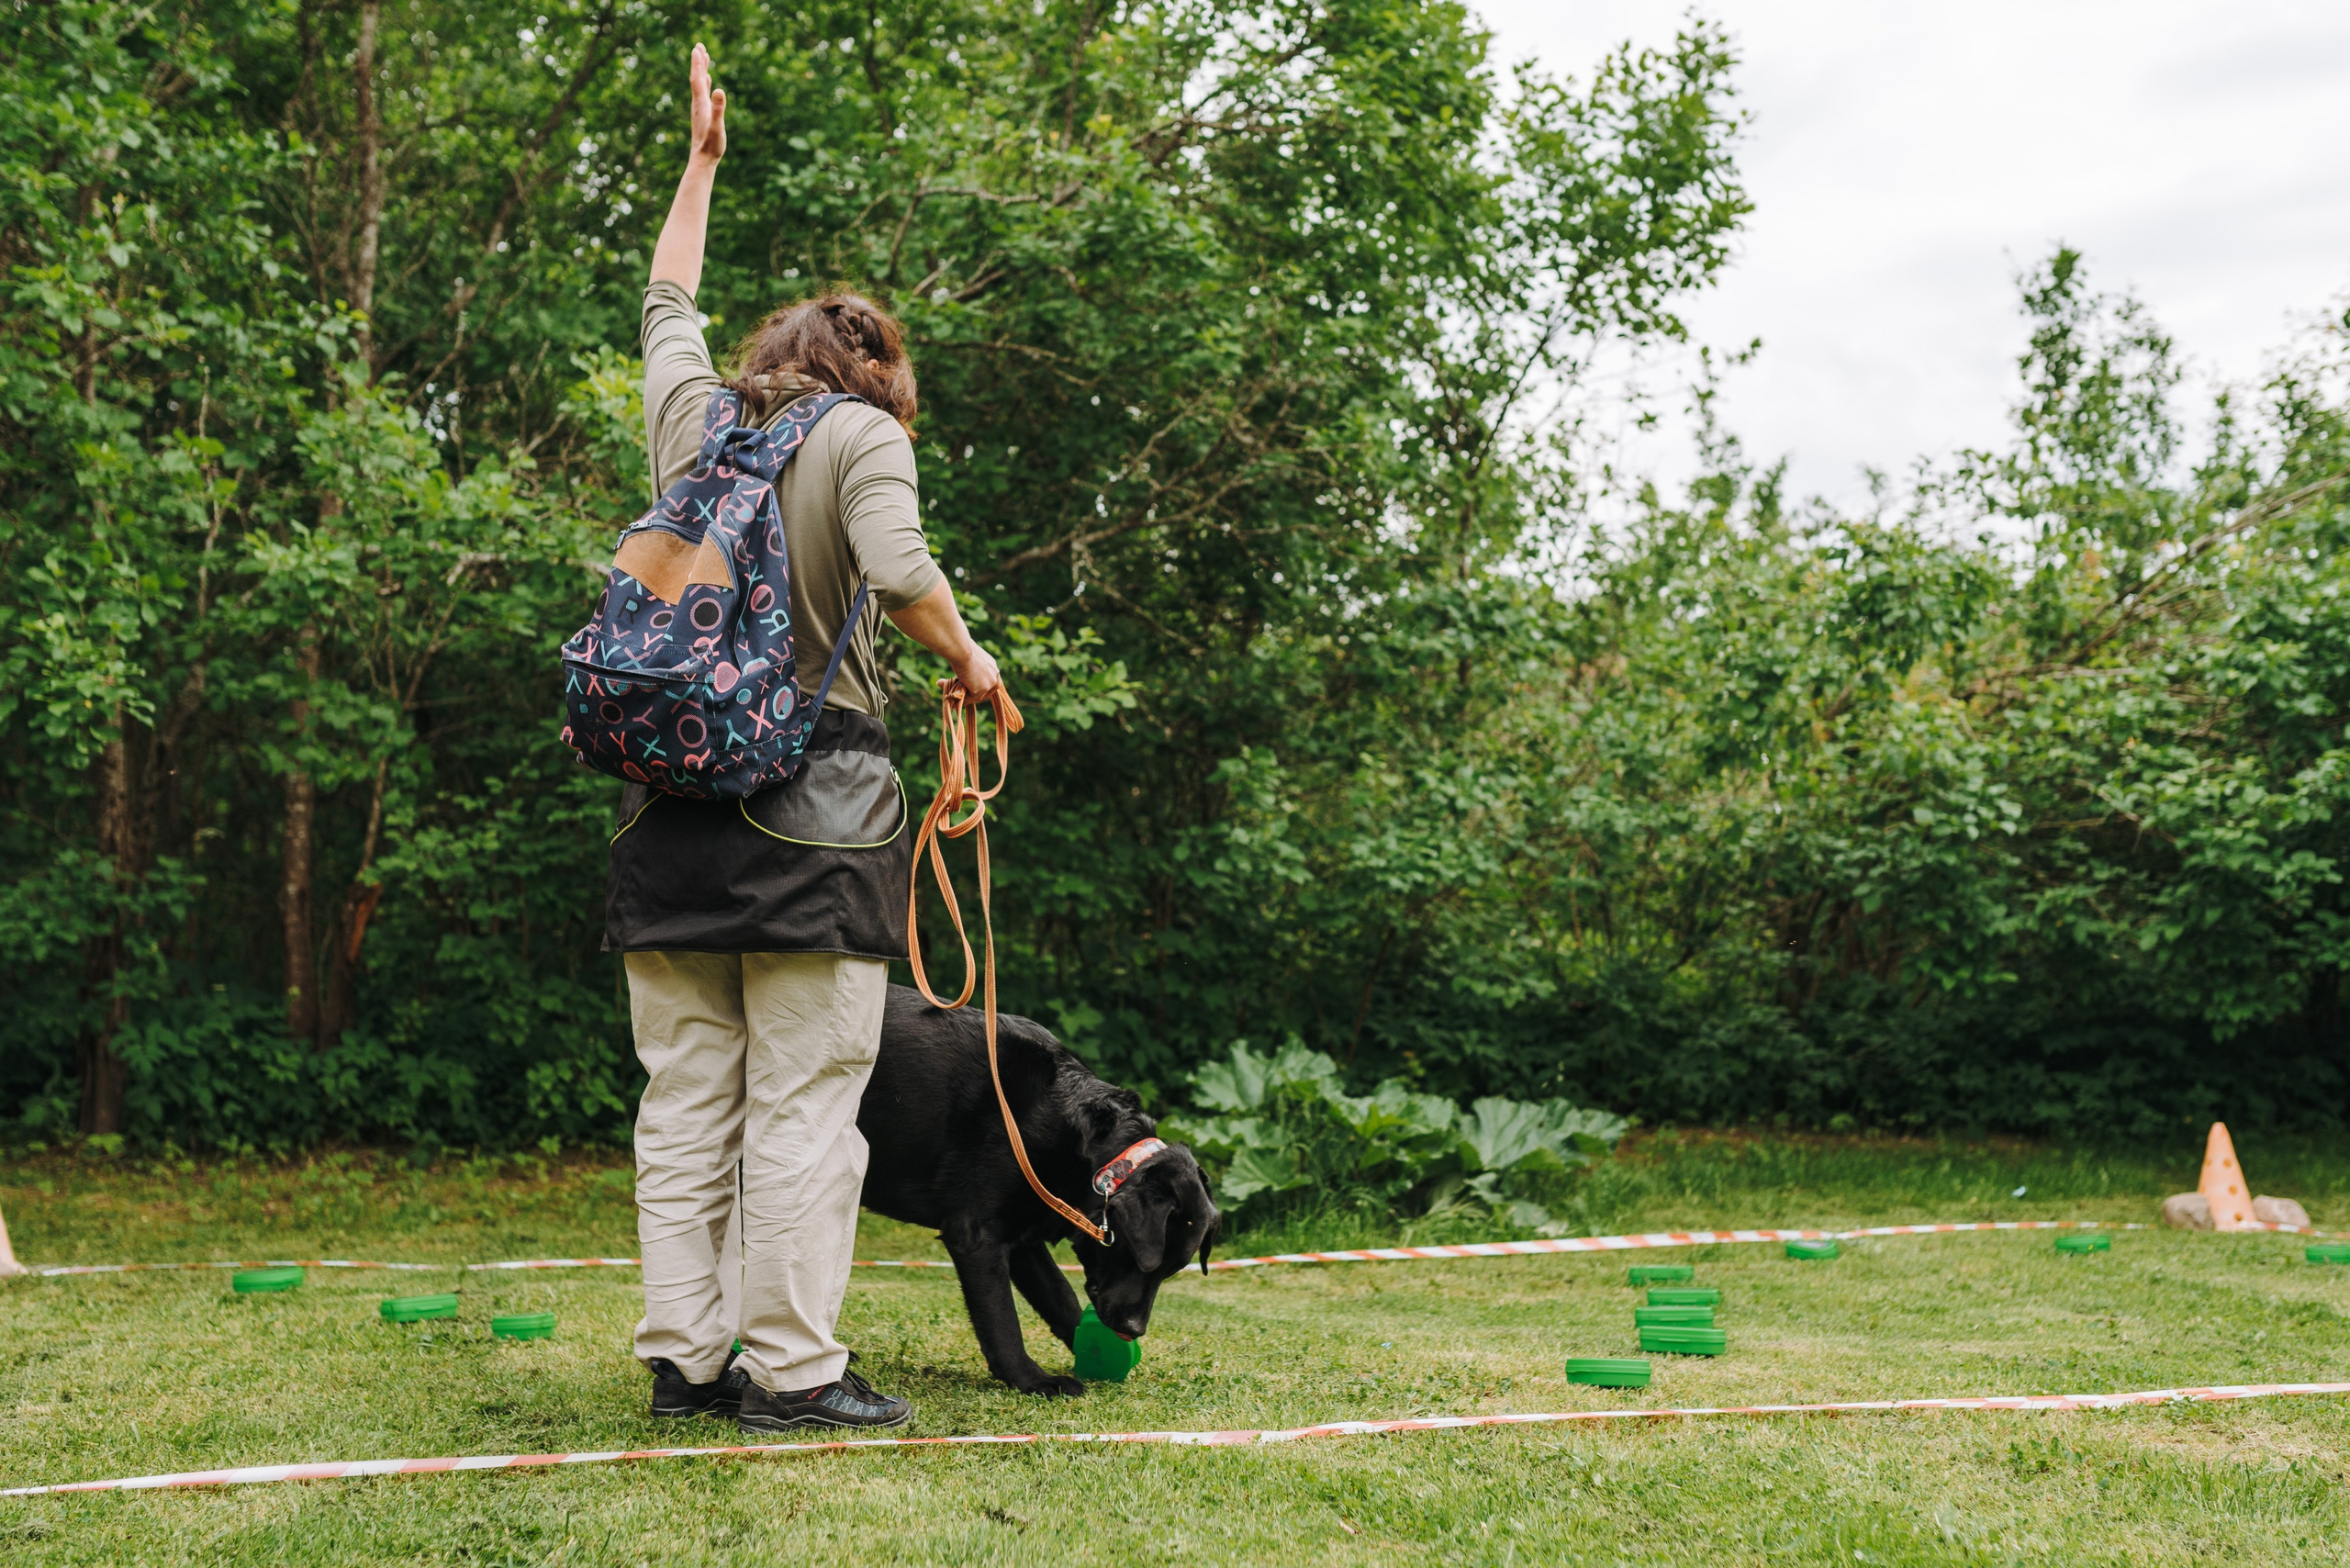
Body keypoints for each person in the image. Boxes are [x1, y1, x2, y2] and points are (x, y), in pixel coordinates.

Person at [610, 42, 1003, 1433]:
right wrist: (973, 663)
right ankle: (792, 1372)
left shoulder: (696, 423)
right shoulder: (862, 436)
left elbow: (666, 298)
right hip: (813, 809)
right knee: (802, 1101)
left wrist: (699, 165)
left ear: (766, 360)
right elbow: (899, 573)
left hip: (667, 807)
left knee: (686, 1099)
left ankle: (688, 1360)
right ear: (877, 376)